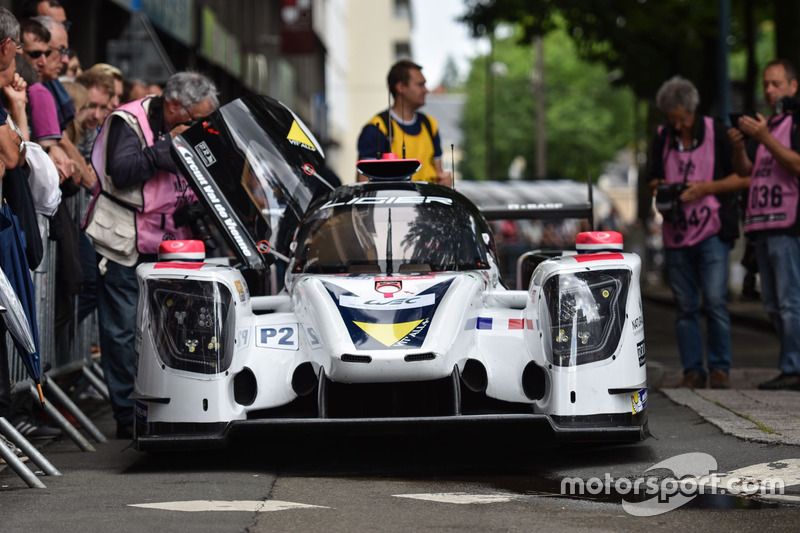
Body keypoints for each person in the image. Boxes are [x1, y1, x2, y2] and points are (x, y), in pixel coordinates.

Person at [88, 71, 219, 438]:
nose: (199, 128)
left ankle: (175, 404)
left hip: (172, 240)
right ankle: (127, 414)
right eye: (195, 120)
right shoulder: (128, 120)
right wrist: (170, 147)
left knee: (173, 329)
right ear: (175, 105)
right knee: (121, 331)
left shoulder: (189, 123)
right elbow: (123, 170)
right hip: (123, 242)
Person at [647, 76, 741, 389]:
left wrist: (706, 188)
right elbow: (652, 178)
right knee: (685, 305)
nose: (677, 127)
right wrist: (663, 190)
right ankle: (692, 369)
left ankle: (719, 368)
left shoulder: (718, 132)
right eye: (672, 120)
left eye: (682, 119)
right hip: (676, 233)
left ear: (694, 109)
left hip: (712, 231)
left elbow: (742, 178)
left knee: (714, 300)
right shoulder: (662, 137)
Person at [729, 59, 800, 390]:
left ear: (793, 86)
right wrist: (741, 145)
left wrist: (765, 137)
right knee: (772, 303)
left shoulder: (794, 123)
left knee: (789, 302)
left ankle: (793, 367)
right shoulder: (766, 125)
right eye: (766, 85)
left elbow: (796, 163)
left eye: (776, 84)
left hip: (789, 225)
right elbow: (747, 171)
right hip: (763, 225)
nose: (769, 90)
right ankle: (790, 364)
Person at [356, 60, 452, 187]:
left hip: (428, 206)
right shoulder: (376, 129)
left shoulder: (430, 125)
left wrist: (445, 182)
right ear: (400, 87)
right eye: (420, 85)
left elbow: (439, 173)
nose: (426, 90)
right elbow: (365, 187)